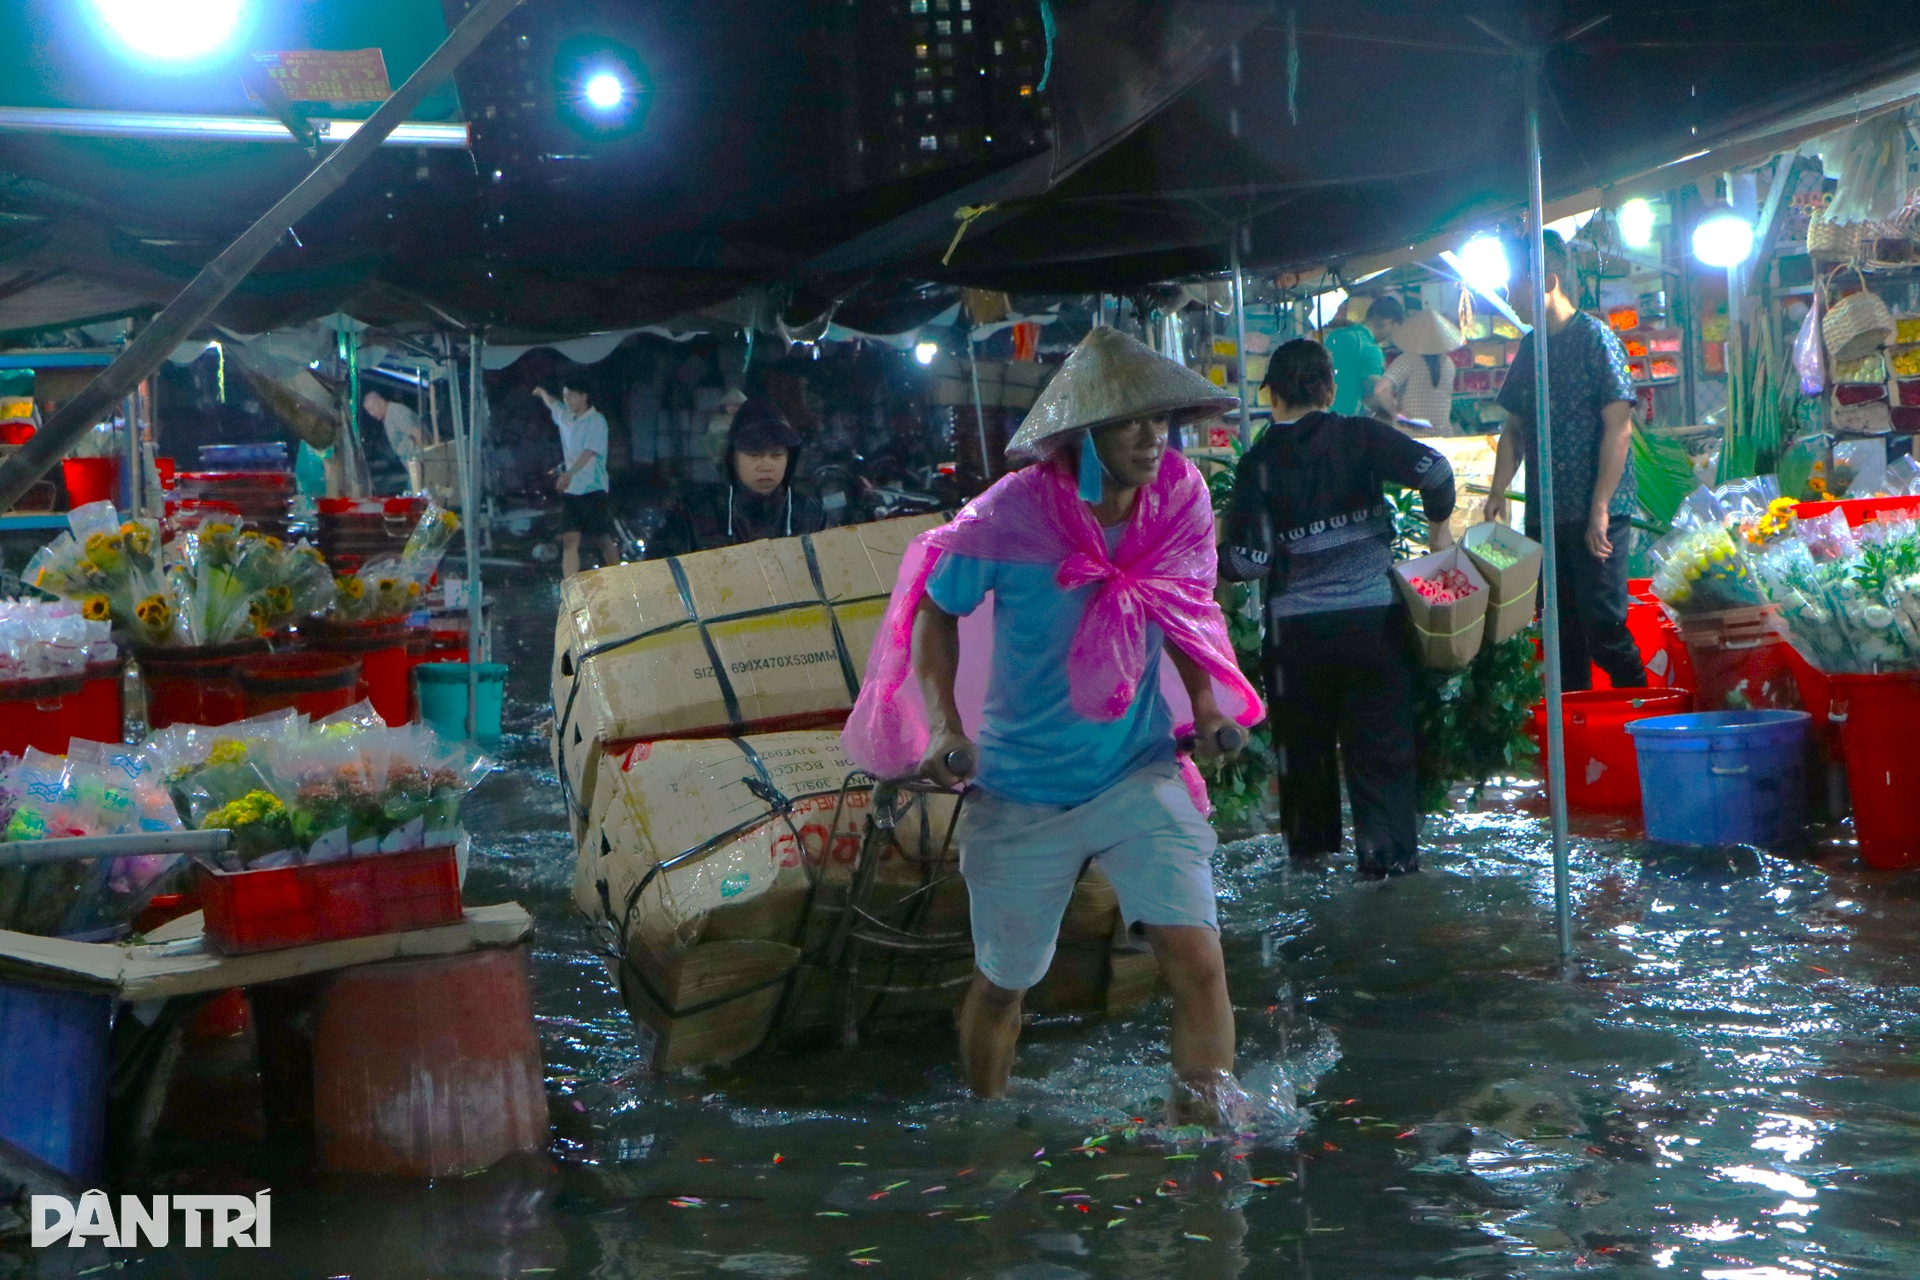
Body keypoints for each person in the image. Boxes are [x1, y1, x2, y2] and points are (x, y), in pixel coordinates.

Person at [842, 326, 1264, 1116]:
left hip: (1135, 766)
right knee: (1005, 985)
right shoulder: (1012, 514)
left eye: (1162, 420)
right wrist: (943, 727)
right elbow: (937, 607)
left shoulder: (1179, 497)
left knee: (1200, 963)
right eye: (1131, 421)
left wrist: (1205, 707)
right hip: (1021, 784)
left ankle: (1207, 1143)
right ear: (1084, 435)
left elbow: (1185, 609)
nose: (1153, 438)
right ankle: (989, 1125)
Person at [1219, 338, 1457, 878]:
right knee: (1380, 759)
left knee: (1303, 762)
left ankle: (1312, 867)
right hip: (1373, 627)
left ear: (1271, 396)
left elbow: (1252, 561)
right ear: (1329, 388)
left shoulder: (1259, 461)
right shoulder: (1361, 436)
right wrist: (1439, 530)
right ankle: (1387, 867)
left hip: (1297, 641)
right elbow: (1437, 473)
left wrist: (1216, 558)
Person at [1483, 231, 1645, 691]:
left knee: (1606, 631)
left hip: (1598, 514)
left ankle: (1646, 712)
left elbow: (1619, 427)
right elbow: (1513, 431)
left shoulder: (1597, 340)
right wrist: (1498, 490)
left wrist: (1600, 508)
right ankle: (1577, 738)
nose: (1510, 296)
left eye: (1516, 284)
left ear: (1548, 280)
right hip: (1546, 516)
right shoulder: (1531, 348)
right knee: (1560, 638)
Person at [650, 397, 825, 555]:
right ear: (733, 458)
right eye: (754, 455)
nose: (766, 466)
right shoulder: (693, 513)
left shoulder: (810, 515)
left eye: (776, 455)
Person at [533, 377, 618, 579]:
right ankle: (570, 585)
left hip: (593, 488)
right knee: (570, 540)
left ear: (583, 397)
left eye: (570, 396)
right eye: (565, 396)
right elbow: (553, 403)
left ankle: (620, 577)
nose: (567, 400)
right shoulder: (566, 417)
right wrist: (542, 393)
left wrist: (569, 474)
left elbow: (589, 452)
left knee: (602, 539)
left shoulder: (596, 421)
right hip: (572, 491)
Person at [1373, 308, 1462, 432]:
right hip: (1443, 436)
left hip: (1412, 438)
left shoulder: (1408, 360)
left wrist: (1396, 412)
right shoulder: (1449, 364)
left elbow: (1380, 389)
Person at [1324, 293, 1403, 416]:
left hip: (1320, 415)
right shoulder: (1371, 349)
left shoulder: (1334, 335)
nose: (1392, 336)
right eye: (1395, 329)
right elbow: (1376, 394)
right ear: (1388, 322)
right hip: (1345, 422)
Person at [362, 388, 425, 492]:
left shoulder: (395, 412)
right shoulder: (388, 416)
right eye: (368, 411)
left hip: (419, 464)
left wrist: (426, 462)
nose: (371, 414)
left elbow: (417, 433)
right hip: (412, 466)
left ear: (381, 402)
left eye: (372, 409)